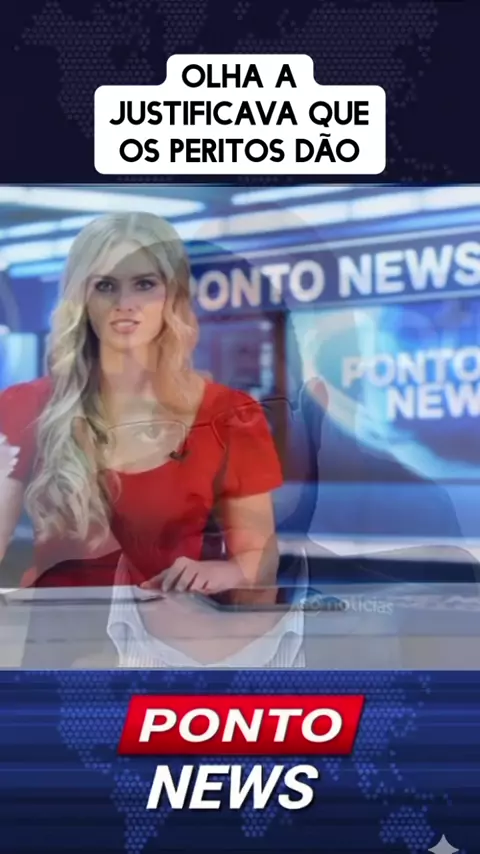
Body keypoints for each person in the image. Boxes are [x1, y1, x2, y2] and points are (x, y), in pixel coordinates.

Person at [0, 212, 284, 604]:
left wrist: (222, 572)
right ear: (82, 298)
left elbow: (260, 559)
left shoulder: (229, 415)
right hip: (59, 633)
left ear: (173, 294)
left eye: (144, 284)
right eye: (105, 286)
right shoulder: (24, 406)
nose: (125, 304)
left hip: (175, 633)